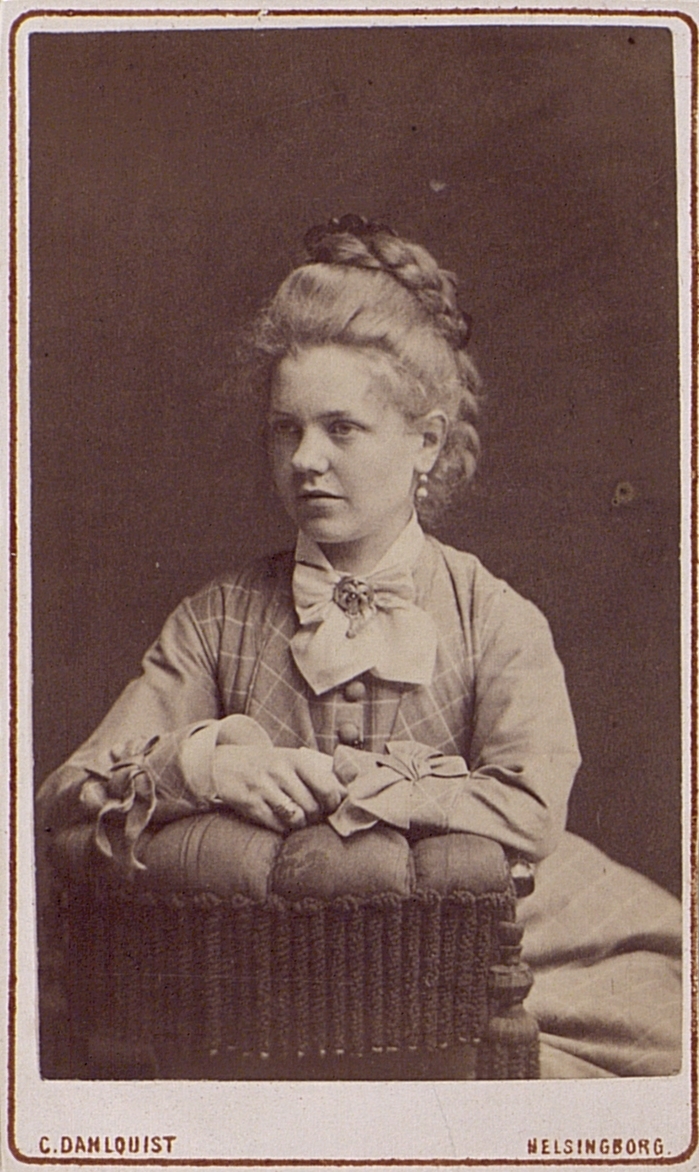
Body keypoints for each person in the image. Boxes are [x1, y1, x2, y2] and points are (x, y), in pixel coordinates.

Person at [37, 215, 681, 1079]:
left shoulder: (495, 619)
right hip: (260, 985)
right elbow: (70, 797)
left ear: (426, 442)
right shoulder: (217, 619)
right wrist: (208, 765)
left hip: (502, 961)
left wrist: (346, 783)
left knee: (656, 1034)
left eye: (342, 429)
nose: (306, 459)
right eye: (286, 429)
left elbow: (528, 811)